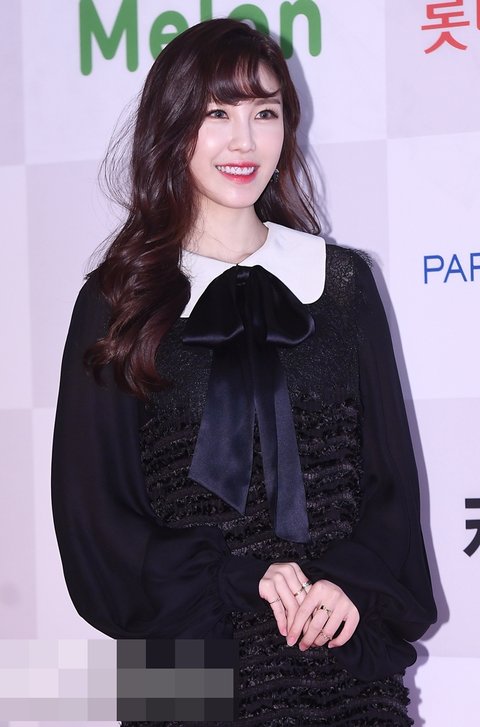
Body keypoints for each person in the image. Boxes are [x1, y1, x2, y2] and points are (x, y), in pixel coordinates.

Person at [52, 18, 436, 726]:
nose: (244, 141)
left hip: (335, 654)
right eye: (217, 114)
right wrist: (235, 578)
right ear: (172, 126)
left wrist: (351, 583)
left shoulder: (342, 283)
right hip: (181, 663)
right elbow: (95, 517)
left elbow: (389, 483)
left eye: (265, 113)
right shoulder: (117, 300)